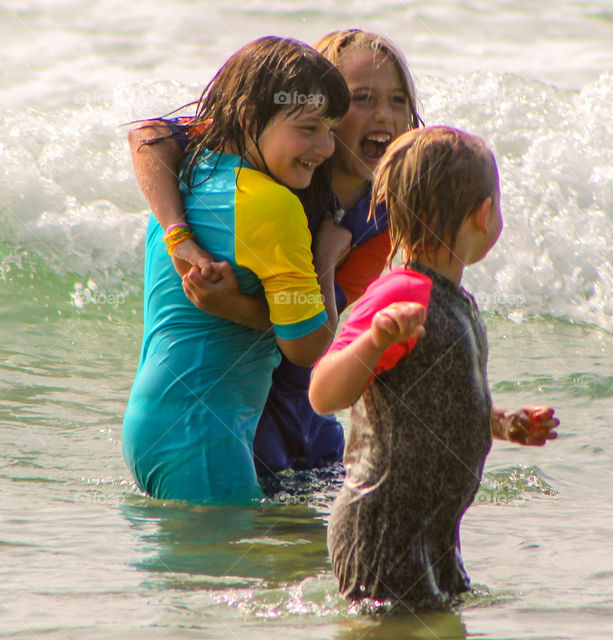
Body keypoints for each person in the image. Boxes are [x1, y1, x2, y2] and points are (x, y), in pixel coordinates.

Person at [125, 30, 423, 491]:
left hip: (300, 405)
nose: (384, 115)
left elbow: (309, 333)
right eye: (362, 98)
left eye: (399, 100)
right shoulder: (265, 162)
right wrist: (177, 233)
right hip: (237, 412)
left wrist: (238, 304)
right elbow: (149, 138)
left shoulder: (378, 218)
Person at [309, 126, 559, 607]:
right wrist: (376, 338)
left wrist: (503, 423)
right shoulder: (399, 293)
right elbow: (323, 392)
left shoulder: (455, 302)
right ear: (484, 215)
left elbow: (437, 406)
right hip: (381, 523)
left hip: (434, 528)